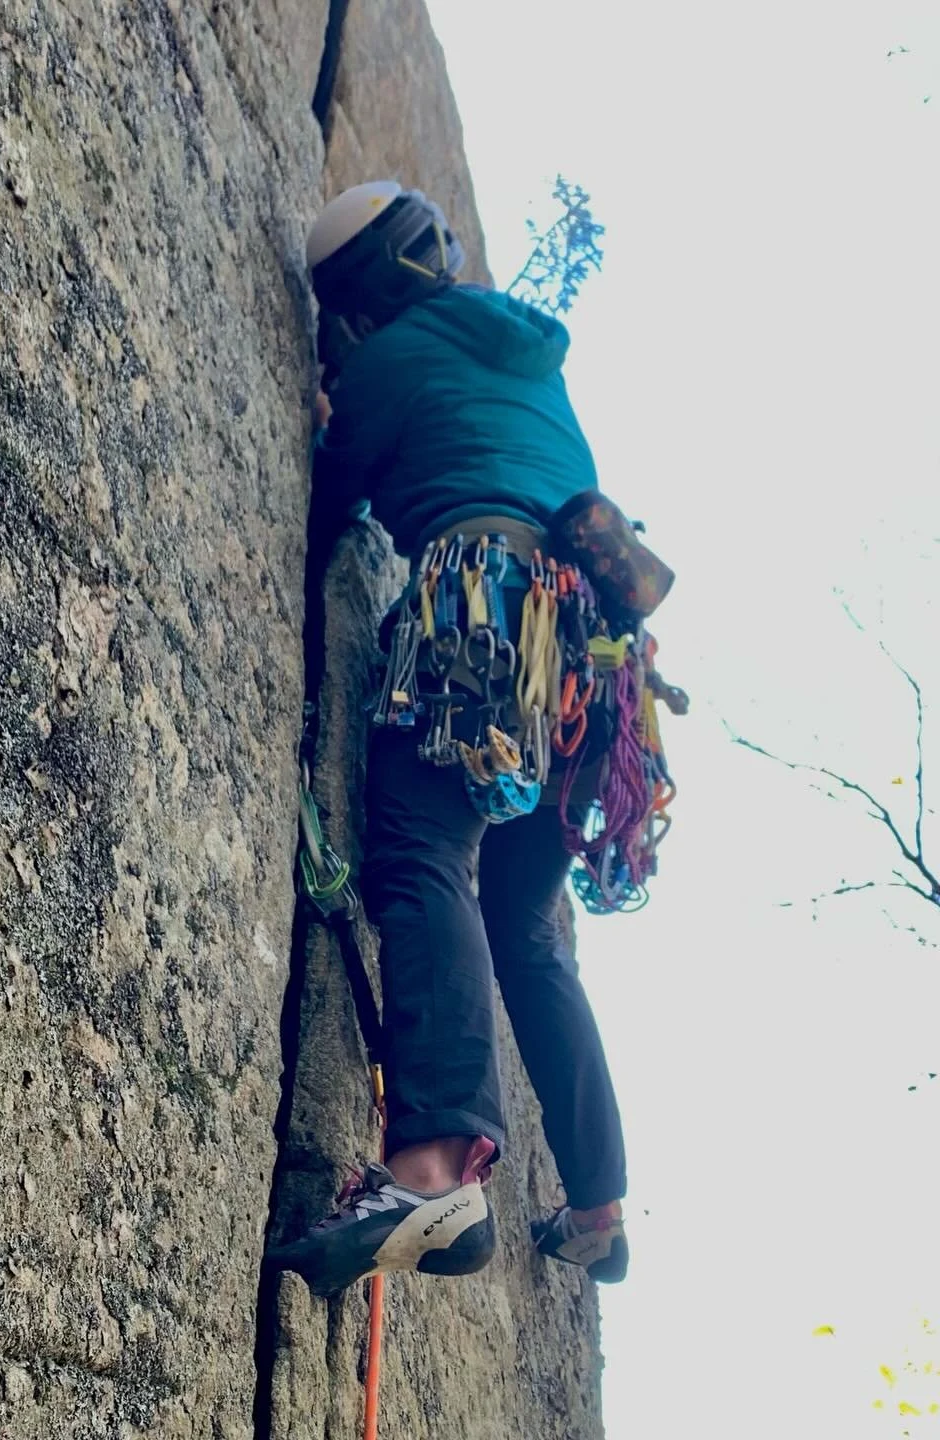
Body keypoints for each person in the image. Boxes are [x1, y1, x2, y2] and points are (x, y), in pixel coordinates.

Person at [268, 181, 630, 1299]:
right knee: (524, 925)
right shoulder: (533, 363)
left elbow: (331, 502)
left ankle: (430, 1168)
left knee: (422, 853)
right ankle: (601, 1206)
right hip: (591, 671)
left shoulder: (393, 358)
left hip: (484, 618)